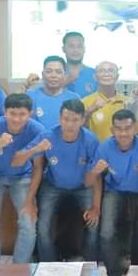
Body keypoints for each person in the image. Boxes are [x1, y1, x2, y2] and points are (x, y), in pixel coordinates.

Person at [90, 109, 138, 276]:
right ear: (112, 130)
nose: (123, 133)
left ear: (135, 128)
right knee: (106, 232)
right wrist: (96, 206)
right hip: (114, 191)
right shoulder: (104, 147)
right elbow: (93, 180)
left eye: (128, 128)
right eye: (119, 129)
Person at [0, 93, 46, 264]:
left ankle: (19, 268)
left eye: (22, 114)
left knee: (28, 224)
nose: (16, 119)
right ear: (4, 112)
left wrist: (30, 201)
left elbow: (38, 168)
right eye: (12, 113)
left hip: (23, 177)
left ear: (30, 113)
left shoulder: (37, 130)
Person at [27, 99, 99, 262]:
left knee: (93, 224)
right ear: (60, 119)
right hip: (53, 185)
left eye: (75, 120)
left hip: (83, 186)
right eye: (66, 119)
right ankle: (48, 265)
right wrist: (30, 200)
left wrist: (96, 207)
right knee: (43, 226)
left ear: (83, 120)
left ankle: (90, 264)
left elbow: (96, 176)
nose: (70, 124)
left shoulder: (91, 140)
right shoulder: (47, 136)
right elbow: (33, 165)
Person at [27, 56, 81, 131]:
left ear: (64, 75)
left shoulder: (74, 98)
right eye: (49, 71)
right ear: (42, 74)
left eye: (58, 72)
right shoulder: (31, 96)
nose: (53, 76)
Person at [82, 62, 128, 141]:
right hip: (96, 148)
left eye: (111, 70)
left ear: (117, 76)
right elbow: (78, 131)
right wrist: (89, 112)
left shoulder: (127, 102)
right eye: (102, 71)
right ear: (95, 77)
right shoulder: (85, 102)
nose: (106, 74)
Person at [62, 31, 98, 97]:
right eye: (71, 46)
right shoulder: (54, 74)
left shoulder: (95, 74)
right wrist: (64, 83)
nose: (75, 50)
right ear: (63, 49)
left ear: (84, 49)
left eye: (79, 46)